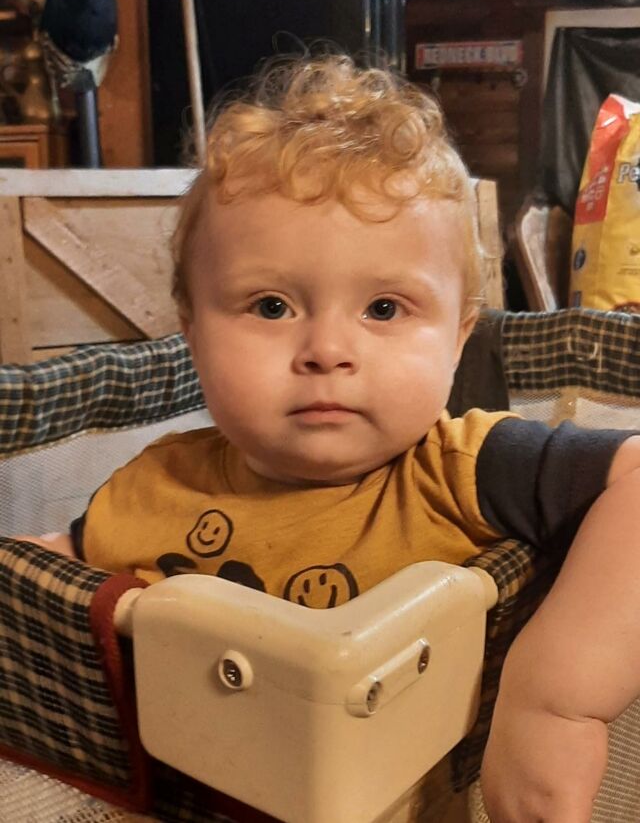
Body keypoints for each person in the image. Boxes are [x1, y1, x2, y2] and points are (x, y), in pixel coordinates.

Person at [15, 54, 640, 821]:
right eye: (271, 306)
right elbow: (44, 571)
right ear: (192, 333)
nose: (326, 350)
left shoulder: (463, 468)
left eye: (384, 308)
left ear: (457, 337)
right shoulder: (155, 480)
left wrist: (557, 699)